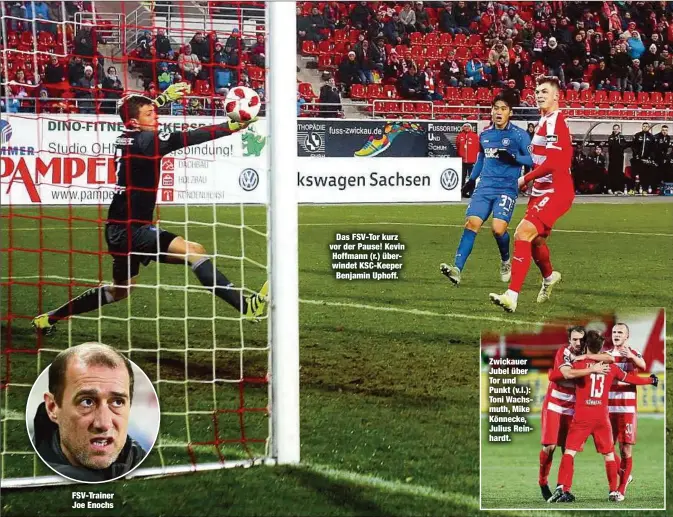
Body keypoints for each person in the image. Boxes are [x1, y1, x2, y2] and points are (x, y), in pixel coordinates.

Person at [32, 84, 268, 335]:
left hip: (118, 229)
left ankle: (48, 319)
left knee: (120, 290)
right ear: (134, 121)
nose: (156, 116)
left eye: (155, 112)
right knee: (194, 252)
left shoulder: (127, 137)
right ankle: (245, 306)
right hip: (132, 229)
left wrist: (160, 100)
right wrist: (229, 126)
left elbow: (138, 111)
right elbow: (186, 138)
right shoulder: (146, 140)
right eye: (150, 114)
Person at [489, 76, 574, 313]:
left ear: (557, 96)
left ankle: (512, 295)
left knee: (522, 232)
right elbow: (540, 158)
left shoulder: (556, 121)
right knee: (536, 240)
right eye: (537, 91)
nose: (539, 95)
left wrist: (524, 179)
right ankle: (548, 276)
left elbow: (555, 162)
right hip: (541, 190)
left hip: (557, 190)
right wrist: (531, 180)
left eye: (545, 91)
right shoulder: (543, 120)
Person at [548, 331, 657, 503]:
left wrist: (554, 372)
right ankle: (613, 491)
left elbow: (556, 376)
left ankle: (562, 487)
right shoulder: (611, 367)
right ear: (602, 348)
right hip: (601, 417)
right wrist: (650, 381)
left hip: (582, 417)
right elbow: (630, 379)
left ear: (585, 346)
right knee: (609, 455)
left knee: (569, 452)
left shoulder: (579, 365)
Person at [440, 92, 532, 286]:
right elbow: (482, 158)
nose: (499, 112)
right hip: (485, 187)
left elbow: (532, 160)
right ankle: (457, 269)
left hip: (507, 188)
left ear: (510, 113)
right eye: (496, 108)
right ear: (491, 111)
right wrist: (472, 180)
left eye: (503, 109)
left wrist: (514, 158)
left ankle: (506, 261)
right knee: (471, 223)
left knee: (498, 230)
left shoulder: (519, 135)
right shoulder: (486, 135)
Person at [32, 343, 147, 482]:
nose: (103, 424)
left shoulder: (141, 462)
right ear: (52, 407)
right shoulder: (33, 475)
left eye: (117, 402)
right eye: (87, 402)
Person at [537, 326, 613, 501]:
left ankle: (563, 488)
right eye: (574, 339)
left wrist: (588, 357)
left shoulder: (587, 354)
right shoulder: (564, 352)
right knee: (550, 446)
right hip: (555, 403)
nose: (578, 343)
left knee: (567, 449)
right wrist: (592, 369)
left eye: (581, 339)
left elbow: (610, 357)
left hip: (573, 407)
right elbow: (567, 372)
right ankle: (543, 482)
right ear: (569, 340)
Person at [603, 323, 647, 500]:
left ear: (627, 336)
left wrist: (630, 356)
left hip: (627, 408)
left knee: (625, 449)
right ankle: (625, 476)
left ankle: (620, 490)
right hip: (607, 409)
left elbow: (643, 366)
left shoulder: (633, 353)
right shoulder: (605, 355)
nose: (616, 334)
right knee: (607, 448)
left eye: (620, 332)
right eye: (614, 332)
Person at [630, 122, 657, 194]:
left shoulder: (651, 137)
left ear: (648, 128)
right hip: (637, 159)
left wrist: (650, 157)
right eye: (644, 126)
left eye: (646, 126)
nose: (645, 127)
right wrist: (636, 155)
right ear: (642, 127)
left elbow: (653, 149)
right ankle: (633, 189)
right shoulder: (637, 135)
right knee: (634, 174)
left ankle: (644, 190)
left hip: (646, 160)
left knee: (645, 175)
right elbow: (633, 146)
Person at [607, 124, 628, 194]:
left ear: (619, 130)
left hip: (619, 159)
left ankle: (619, 189)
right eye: (614, 129)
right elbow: (611, 147)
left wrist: (620, 144)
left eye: (617, 129)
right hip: (612, 159)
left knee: (619, 174)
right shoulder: (610, 137)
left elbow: (624, 145)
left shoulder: (621, 137)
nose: (616, 130)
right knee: (612, 173)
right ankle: (611, 188)